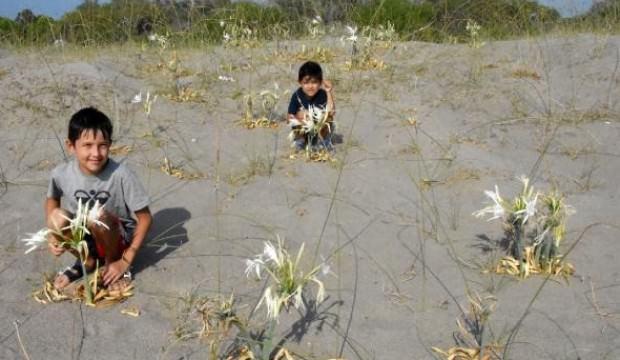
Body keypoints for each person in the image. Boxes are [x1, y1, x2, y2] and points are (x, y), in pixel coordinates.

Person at [46, 107, 152, 291]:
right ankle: (87, 262)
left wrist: (126, 260)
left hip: (117, 238)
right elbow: (52, 199)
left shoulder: (121, 175)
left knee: (97, 215)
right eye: (87, 145)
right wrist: (53, 236)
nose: (96, 153)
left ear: (110, 144)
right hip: (86, 236)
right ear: (71, 146)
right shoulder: (60, 174)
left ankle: (112, 265)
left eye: (102, 145)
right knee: (56, 218)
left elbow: (145, 218)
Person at [287, 61, 336, 151]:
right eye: (306, 83)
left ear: (320, 82)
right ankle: (301, 140)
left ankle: (324, 141)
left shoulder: (323, 94)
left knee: (328, 118)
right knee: (299, 117)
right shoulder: (297, 96)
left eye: (314, 82)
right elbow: (289, 117)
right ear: (300, 82)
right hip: (304, 129)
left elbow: (332, 111)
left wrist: (328, 92)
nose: (310, 86)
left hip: (319, 129)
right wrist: (299, 116)